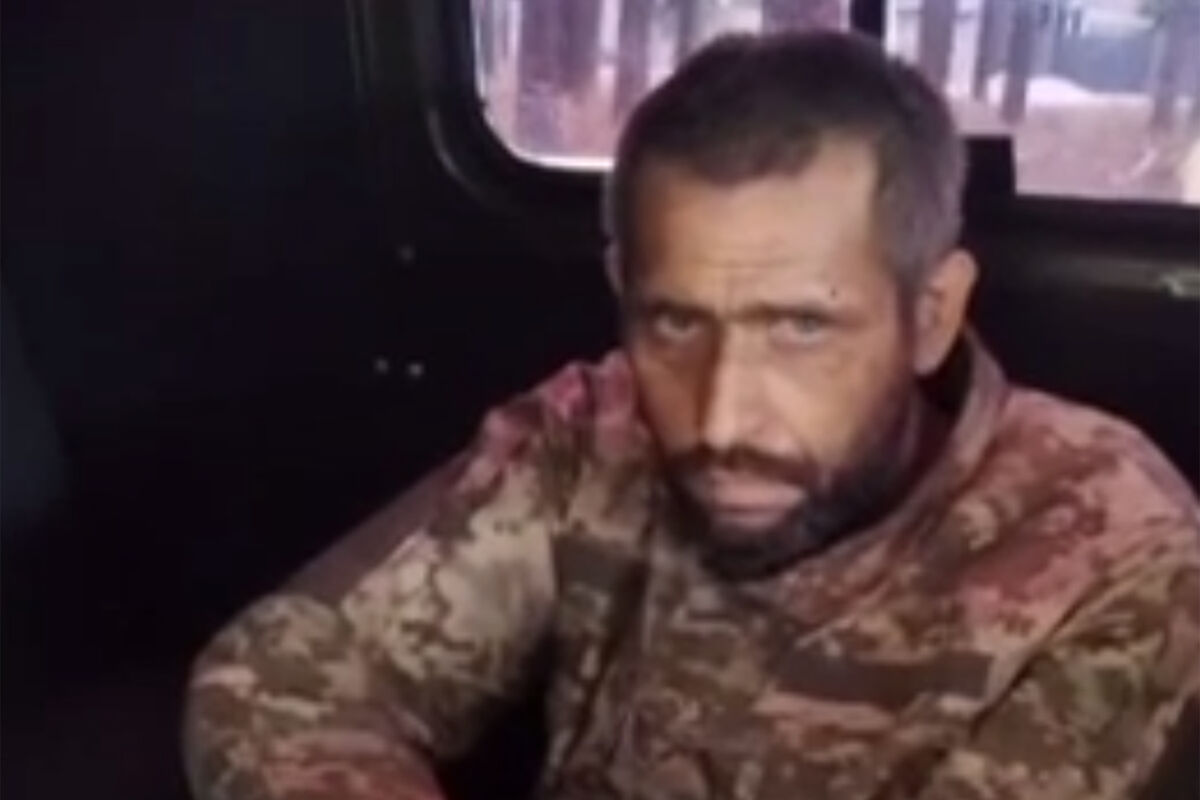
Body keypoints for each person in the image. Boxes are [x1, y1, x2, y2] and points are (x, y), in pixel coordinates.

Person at [183, 31, 1200, 800]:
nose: (720, 417)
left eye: (801, 326)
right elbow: (280, 678)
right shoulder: (592, 433)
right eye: (674, 323)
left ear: (929, 315)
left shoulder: (1108, 549)